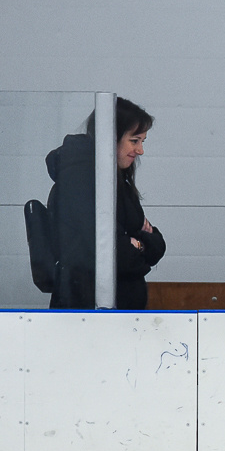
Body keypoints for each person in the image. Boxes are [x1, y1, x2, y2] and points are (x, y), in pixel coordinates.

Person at [45, 97, 166, 309]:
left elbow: (156, 244)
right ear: (112, 137)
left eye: (142, 142)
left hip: (117, 310)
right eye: (134, 141)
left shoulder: (116, 183)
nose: (140, 150)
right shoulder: (82, 182)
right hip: (88, 310)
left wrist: (138, 243)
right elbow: (113, 254)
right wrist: (139, 244)